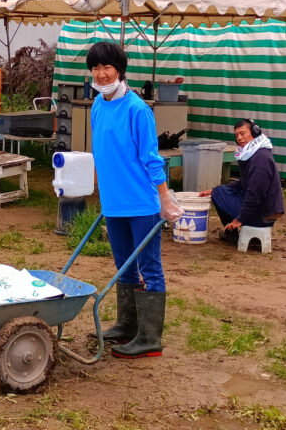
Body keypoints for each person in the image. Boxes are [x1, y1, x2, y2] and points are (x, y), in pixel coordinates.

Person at [86, 41, 183, 359]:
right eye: (95, 68)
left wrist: (164, 199)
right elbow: (102, 151)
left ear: (120, 70)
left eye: (107, 67)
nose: (101, 74)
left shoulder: (137, 110)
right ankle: (128, 325)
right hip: (114, 203)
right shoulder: (98, 105)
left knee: (149, 268)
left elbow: (151, 159)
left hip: (141, 203)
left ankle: (150, 339)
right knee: (123, 266)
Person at [200, 119, 284, 243]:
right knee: (219, 191)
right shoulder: (257, 152)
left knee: (219, 193)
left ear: (254, 132)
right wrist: (214, 190)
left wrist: (239, 220)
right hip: (266, 209)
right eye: (236, 135)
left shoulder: (259, 159)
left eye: (242, 133)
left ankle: (232, 233)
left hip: (263, 214)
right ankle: (241, 233)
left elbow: (254, 194)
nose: (239, 138)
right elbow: (244, 183)